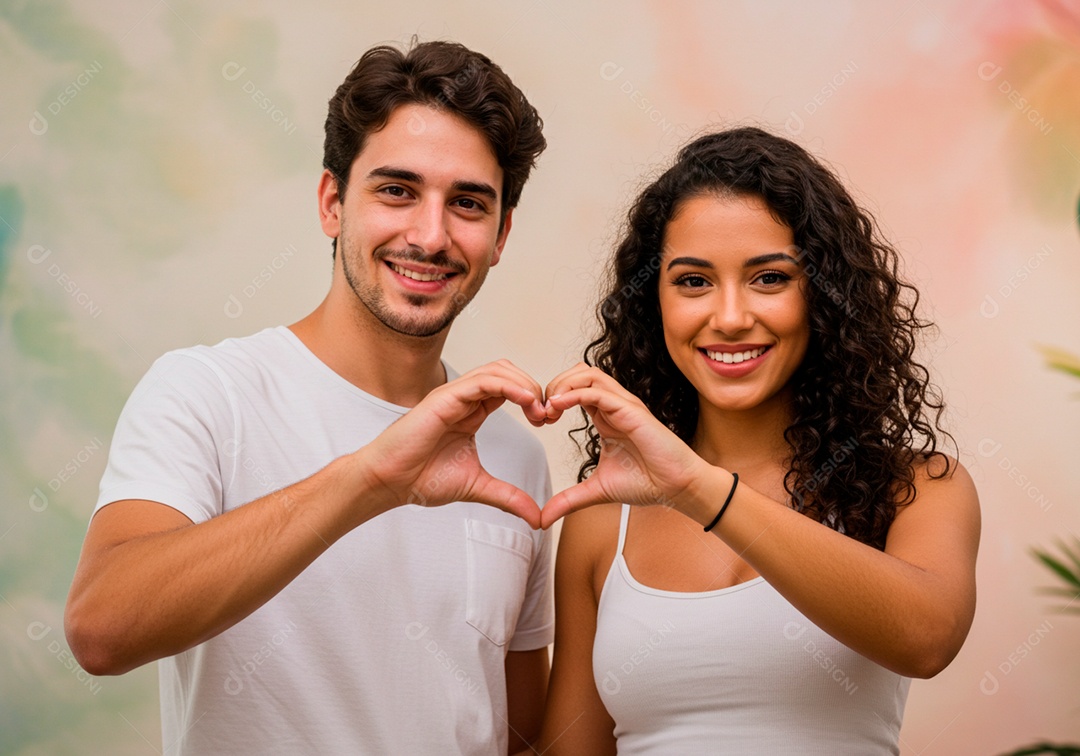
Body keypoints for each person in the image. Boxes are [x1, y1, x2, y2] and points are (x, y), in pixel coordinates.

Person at [65, 40, 553, 755]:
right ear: (332, 203)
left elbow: (523, 737)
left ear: (501, 234)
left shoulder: (513, 456)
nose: (430, 235)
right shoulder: (208, 394)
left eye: (468, 203)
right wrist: (371, 478)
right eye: (397, 190)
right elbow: (101, 630)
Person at [534, 127, 981, 754]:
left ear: (823, 296)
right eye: (693, 281)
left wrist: (696, 487)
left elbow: (926, 638)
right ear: (653, 303)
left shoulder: (915, 488)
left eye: (769, 278)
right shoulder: (603, 522)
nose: (730, 317)